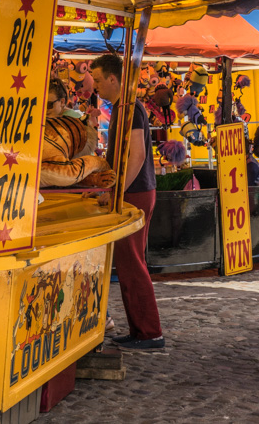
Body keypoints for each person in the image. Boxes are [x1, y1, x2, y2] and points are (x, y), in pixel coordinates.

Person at [90, 53, 164, 352]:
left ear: (112, 78)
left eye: (98, 80)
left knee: (132, 262)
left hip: (136, 191)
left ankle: (149, 332)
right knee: (128, 262)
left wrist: (117, 191)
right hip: (133, 189)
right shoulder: (123, 107)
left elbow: (137, 155)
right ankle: (140, 330)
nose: (95, 86)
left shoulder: (129, 108)